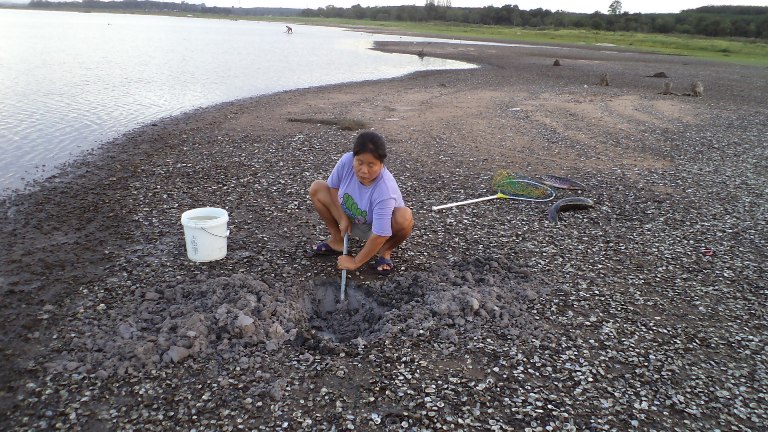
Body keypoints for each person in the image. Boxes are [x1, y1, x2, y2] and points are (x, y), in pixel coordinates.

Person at [308, 131, 413, 276]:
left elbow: (380, 234)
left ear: (381, 164)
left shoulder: (385, 189)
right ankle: (337, 240)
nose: (364, 170)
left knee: (404, 216)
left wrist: (355, 262)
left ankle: (384, 252)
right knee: (317, 188)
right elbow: (333, 188)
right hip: (349, 218)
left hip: (377, 228)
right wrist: (342, 217)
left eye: (371, 165)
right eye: (360, 162)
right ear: (354, 157)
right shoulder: (346, 161)